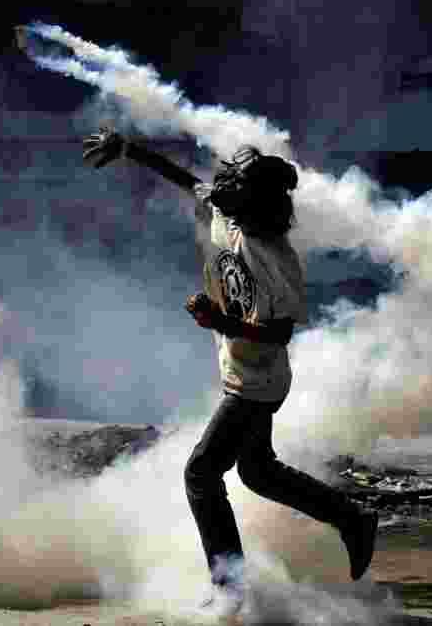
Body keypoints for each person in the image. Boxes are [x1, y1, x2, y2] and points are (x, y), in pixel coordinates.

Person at [82, 128, 379, 615]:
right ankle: (352, 518)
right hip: (241, 370)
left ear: (257, 202)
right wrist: (129, 148)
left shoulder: (274, 257)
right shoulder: (226, 215)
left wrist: (220, 321)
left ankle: (230, 588)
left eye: (236, 186)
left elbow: (281, 333)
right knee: (258, 472)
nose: (223, 190)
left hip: (258, 381)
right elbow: (185, 180)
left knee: (200, 472)